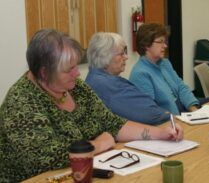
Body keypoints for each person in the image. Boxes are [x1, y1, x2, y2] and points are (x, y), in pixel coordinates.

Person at [0, 29, 183, 182]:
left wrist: (161, 133)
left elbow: (113, 124)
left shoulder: (75, 87)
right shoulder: (21, 102)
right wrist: (100, 144)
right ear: (44, 72)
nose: (77, 74)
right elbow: (46, 159)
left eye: (76, 66)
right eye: (69, 70)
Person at [85, 32, 170, 125]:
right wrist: (169, 116)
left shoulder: (97, 78)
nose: (126, 57)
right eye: (121, 54)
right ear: (105, 57)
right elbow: (150, 114)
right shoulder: (107, 85)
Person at [129, 23, 205, 115]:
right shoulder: (140, 74)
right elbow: (151, 110)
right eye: (160, 42)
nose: (165, 46)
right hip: (171, 117)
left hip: (185, 106)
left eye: (164, 42)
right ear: (146, 45)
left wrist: (194, 110)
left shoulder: (165, 63)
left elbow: (181, 87)